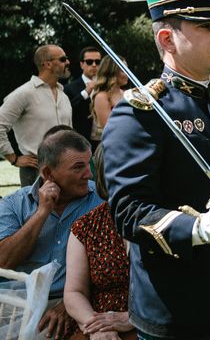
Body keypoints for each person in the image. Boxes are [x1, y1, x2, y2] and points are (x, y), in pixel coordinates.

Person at [102, 0, 210, 339]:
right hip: (179, 307)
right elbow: (128, 210)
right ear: (166, 39)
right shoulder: (141, 112)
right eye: (206, 26)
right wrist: (197, 228)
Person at [0, 127, 102, 339]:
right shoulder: (14, 204)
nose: (89, 174)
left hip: (75, 302)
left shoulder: (101, 201)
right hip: (15, 302)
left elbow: (112, 265)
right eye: (78, 167)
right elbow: (4, 261)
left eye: (88, 164)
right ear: (48, 174)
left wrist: (69, 304)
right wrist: (42, 212)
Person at [64, 143, 134, 339]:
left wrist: (132, 318)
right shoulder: (86, 227)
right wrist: (95, 328)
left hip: (152, 323)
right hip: (98, 323)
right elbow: (74, 292)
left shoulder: (166, 221)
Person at [0, 45, 72, 187]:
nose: (68, 62)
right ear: (47, 64)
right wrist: (14, 159)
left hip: (65, 168)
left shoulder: (63, 96)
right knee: (38, 210)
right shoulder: (24, 93)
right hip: (35, 171)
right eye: (63, 59)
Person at [64, 47, 102, 149]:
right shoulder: (69, 88)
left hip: (104, 139)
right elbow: (68, 111)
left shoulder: (107, 86)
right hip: (82, 142)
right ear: (82, 64)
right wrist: (85, 92)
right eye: (89, 62)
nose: (94, 65)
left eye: (97, 62)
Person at [90, 56, 128, 145]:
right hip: (114, 143)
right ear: (112, 72)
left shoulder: (127, 93)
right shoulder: (102, 97)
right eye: (123, 70)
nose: (127, 73)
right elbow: (108, 127)